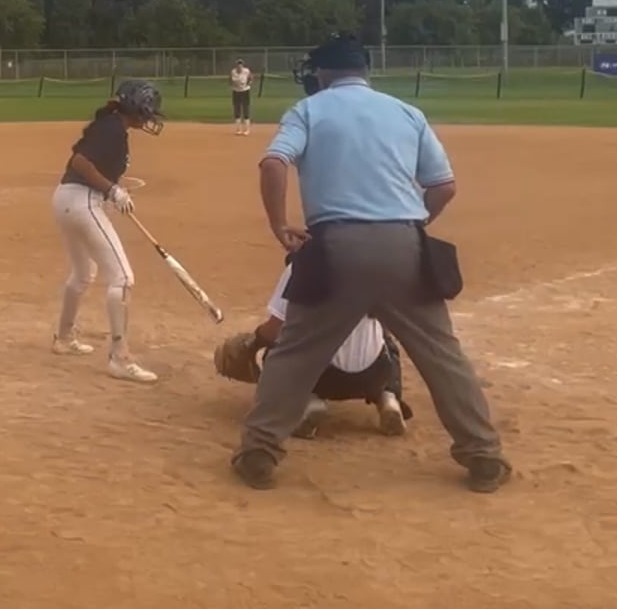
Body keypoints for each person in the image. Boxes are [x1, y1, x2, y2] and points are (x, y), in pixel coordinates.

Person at [234, 32, 509, 494]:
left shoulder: (309, 109)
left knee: (295, 353)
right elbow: (443, 186)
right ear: (363, 71)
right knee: (443, 356)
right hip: (404, 246)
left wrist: (280, 225)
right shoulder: (406, 112)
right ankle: (483, 455)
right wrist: (414, 223)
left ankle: (259, 452)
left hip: (335, 247)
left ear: (323, 72)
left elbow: (273, 164)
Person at [51, 79, 166, 384]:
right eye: (148, 109)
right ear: (136, 107)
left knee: (83, 273)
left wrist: (111, 192)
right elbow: (80, 162)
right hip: (81, 201)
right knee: (123, 278)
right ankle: (120, 358)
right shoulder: (113, 128)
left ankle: (64, 338)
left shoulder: (112, 125)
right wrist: (112, 190)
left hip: (67, 200)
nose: (151, 115)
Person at [218, 264, 413, 438]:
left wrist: (253, 342)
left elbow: (274, 331)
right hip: (374, 375)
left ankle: (309, 400)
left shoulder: (302, 265)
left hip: (323, 377)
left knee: (277, 349)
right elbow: (390, 324)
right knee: (387, 341)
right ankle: (388, 397)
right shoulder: (378, 266)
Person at [229, 59, 255, 135]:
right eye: (238, 64)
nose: (239, 66)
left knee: (245, 108)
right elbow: (230, 79)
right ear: (236, 65)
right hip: (236, 91)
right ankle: (238, 129)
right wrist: (232, 84)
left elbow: (251, 77)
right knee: (237, 108)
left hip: (245, 91)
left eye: (241, 64)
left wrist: (249, 83)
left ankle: (247, 129)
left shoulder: (246, 71)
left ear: (242, 65)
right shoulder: (233, 72)